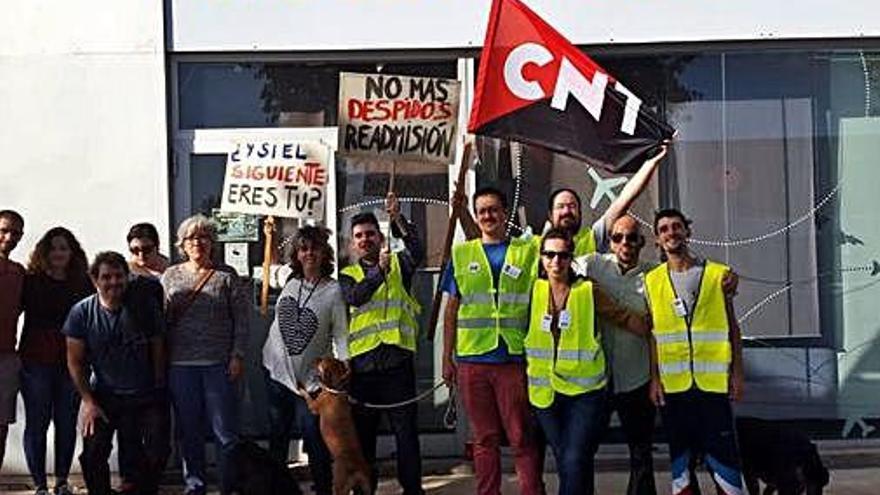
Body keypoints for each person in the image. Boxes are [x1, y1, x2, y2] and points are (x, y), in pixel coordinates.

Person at [525, 228, 649, 495]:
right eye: (549, 255)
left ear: (572, 258)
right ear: (541, 258)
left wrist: (664, 332)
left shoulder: (588, 291)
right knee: (568, 461)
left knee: (573, 458)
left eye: (562, 255)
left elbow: (624, 317)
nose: (556, 261)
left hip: (584, 394)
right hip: (544, 393)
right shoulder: (531, 291)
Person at [442, 187, 544, 495]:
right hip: (473, 360)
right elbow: (451, 309)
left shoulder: (526, 251)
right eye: (482, 210)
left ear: (504, 214)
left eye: (494, 209)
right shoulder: (461, 254)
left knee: (520, 436)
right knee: (484, 439)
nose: (488, 215)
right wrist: (447, 358)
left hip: (512, 357)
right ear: (476, 215)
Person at [645, 208, 745, 495]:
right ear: (657, 240)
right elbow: (654, 335)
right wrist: (654, 378)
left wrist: (737, 373)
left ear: (687, 232)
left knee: (724, 463)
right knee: (681, 465)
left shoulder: (718, 275)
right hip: (674, 389)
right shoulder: (652, 281)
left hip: (713, 387)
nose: (671, 233)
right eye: (663, 229)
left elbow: (732, 328)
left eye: (677, 227)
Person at [338, 192, 425, 495]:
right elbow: (355, 297)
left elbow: (418, 248)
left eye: (370, 234)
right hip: (363, 370)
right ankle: (365, 491)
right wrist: (378, 273)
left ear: (379, 237)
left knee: (406, 436)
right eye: (359, 236)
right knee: (364, 438)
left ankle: (413, 490)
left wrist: (398, 217)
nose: (365, 240)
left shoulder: (400, 264)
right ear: (352, 243)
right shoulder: (346, 275)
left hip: (397, 364)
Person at [64, 251, 170, 495]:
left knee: (156, 453)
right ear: (95, 280)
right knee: (92, 454)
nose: (113, 282)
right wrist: (89, 402)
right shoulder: (81, 313)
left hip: (144, 392)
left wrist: (158, 387)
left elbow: (157, 346)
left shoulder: (144, 308)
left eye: (119, 276)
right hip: (104, 393)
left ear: (127, 277)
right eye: (106, 277)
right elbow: (75, 362)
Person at [162, 214, 249, 495]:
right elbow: (161, 319)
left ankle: (228, 486)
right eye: (191, 238)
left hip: (218, 365)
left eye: (203, 237)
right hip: (180, 365)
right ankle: (195, 485)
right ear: (182, 244)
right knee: (190, 431)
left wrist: (237, 355)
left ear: (212, 243)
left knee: (226, 434)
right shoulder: (171, 276)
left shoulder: (226, 275)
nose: (197, 242)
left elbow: (241, 320)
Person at [262, 226, 348, 495]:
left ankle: (323, 488)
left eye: (314, 248)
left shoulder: (333, 291)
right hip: (276, 375)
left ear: (325, 253)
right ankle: (276, 490)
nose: (309, 253)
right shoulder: (288, 279)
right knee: (278, 437)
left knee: (315, 439)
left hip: (310, 384)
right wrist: (270, 235)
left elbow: (341, 332)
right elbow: (268, 266)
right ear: (296, 254)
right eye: (303, 248)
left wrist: (345, 366)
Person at [19, 227, 93, 495]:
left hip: (71, 361)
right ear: (44, 252)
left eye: (63, 248)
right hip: (36, 359)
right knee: (37, 422)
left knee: (66, 420)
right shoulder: (31, 281)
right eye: (53, 248)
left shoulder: (83, 282)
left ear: (72, 253)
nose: (58, 253)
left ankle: (61, 480)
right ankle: (39, 483)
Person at [117, 222, 167, 494]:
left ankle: (153, 478)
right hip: (136, 355)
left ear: (156, 246)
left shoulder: (171, 271)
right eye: (134, 250)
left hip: (172, 350)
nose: (140, 256)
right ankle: (131, 477)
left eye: (146, 249)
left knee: (160, 425)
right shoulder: (124, 274)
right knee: (130, 424)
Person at [0, 209, 25, 473]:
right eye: (4, 230)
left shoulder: (19, 273)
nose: (9, 237)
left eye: (16, 233)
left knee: (1, 426)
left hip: (6, 356)